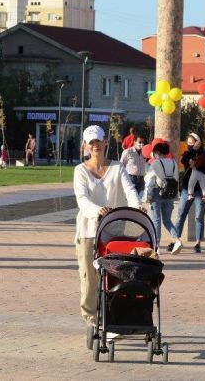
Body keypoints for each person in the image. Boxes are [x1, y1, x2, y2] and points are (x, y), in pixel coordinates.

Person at [73, 125, 140, 339]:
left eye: (98, 142)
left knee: (114, 275)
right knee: (89, 279)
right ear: (85, 145)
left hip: (112, 231)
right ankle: (92, 320)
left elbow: (130, 190)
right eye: (91, 142)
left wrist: (137, 208)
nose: (95, 146)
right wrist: (97, 210)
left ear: (105, 143)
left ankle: (114, 320)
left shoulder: (117, 168)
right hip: (88, 231)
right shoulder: (80, 170)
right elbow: (82, 199)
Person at [169, 133, 205, 254]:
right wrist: (192, 150)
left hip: (201, 190)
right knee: (181, 213)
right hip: (186, 188)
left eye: (192, 143)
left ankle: (198, 242)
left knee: (199, 216)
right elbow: (183, 161)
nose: (189, 145)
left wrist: (198, 167)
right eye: (188, 143)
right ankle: (176, 240)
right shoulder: (188, 153)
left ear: (199, 142)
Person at [143, 141, 178, 249]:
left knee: (156, 220)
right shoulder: (173, 162)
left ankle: (156, 246)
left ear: (156, 152)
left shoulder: (155, 163)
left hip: (157, 193)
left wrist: (146, 197)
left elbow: (148, 180)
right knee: (167, 220)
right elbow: (176, 179)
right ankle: (177, 240)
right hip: (169, 193)